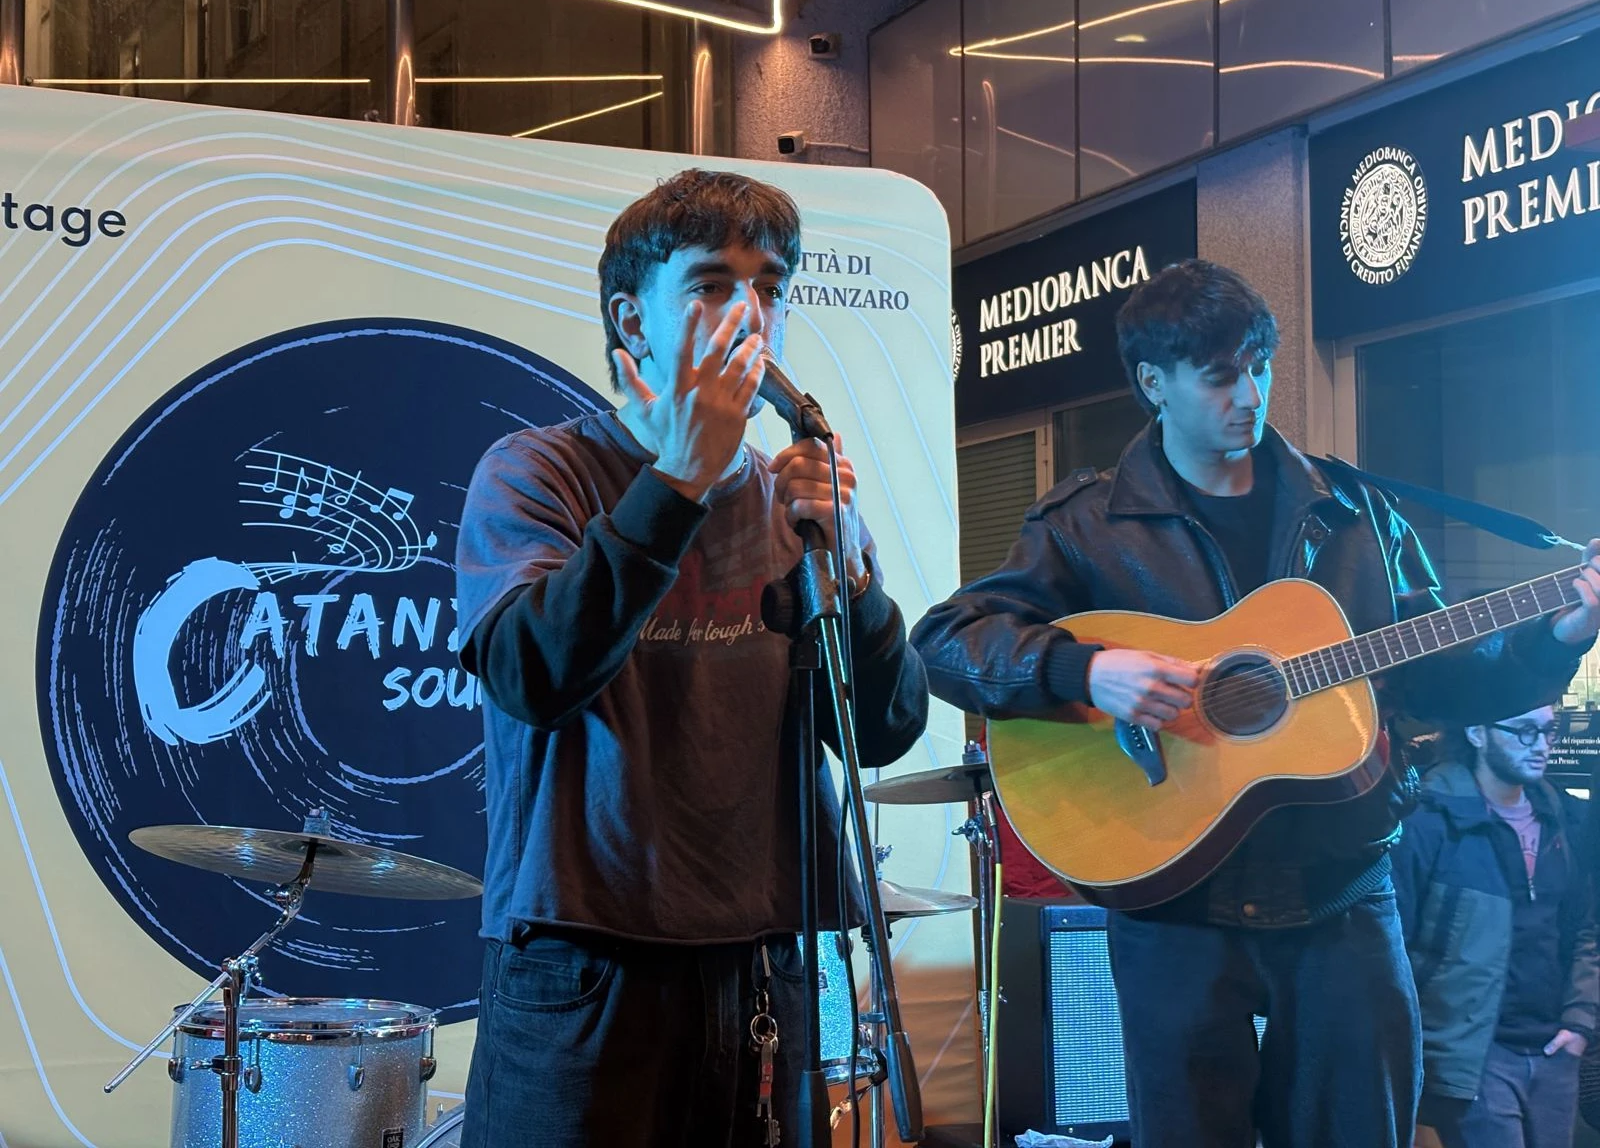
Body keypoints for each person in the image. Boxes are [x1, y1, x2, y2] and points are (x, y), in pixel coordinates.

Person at [908, 259, 1600, 1147]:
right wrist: (1086, 670)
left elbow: (1441, 675)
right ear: (1153, 382)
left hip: (1342, 892)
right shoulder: (1086, 523)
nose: (1251, 395)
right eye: (1220, 375)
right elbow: (946, 642)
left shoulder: (1356, 514)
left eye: (1260, 366)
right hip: (1175, 905)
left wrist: (1561, 633)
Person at [452, 168, 928, 1148]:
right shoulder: (539, 472)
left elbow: (885, 728)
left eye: (770, 287)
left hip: (764, 961)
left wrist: (849, 572)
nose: (749, 313)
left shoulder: (792, 498)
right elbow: (532, 673)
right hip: (585, 966)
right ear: (631, 320)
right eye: (711, 284)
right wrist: (677, 482)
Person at [1396, 706, 1598, 1148]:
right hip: (1476, 1056)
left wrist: (1580, 1022)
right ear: (1477, 732)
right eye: (1524, 731)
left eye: (1549, 731)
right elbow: (1394, 951)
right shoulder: (1430, 821)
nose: (1541, 745)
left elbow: (1584, 927)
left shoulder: (1562, 815)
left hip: (1554, 1048)